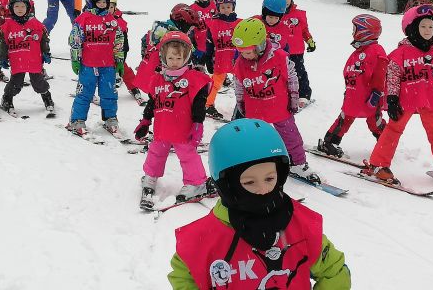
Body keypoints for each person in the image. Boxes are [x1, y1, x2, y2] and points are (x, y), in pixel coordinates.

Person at [168, 118, 351, 289]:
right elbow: (185, 275)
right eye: (249, 182)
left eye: (270, 178)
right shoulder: (205, 238)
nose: (263, 189)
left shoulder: (300, 225)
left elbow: (334, 272)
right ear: (227, 186)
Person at [365, 4, 433, 187]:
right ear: (412, 28)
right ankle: (378, 164)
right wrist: (391, 100)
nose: (427, 30)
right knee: (393, 130)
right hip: (404, 100)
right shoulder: (401, 54)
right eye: (423, 26)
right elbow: (392, 77)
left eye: (431, 26)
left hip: (430, 100)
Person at [232, 18, 319, 182]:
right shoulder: (241, 63)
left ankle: (298, 163)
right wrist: (240, 103)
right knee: (254, 138)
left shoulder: (279, 57)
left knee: (291, 136)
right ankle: (255, 163)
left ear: (259, 46)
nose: (244, 55)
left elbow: (292, 77)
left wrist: (294, 99)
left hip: (278, 106)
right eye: (241, 51)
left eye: (248, 52)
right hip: (255, 110)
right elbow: (238, 85)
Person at [134, 31, 212, 208]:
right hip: (162, 130)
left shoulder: (193, 78)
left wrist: (198, 123)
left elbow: (199, 103)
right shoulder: (158, 79)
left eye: (179, 58)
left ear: (186, 57)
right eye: (171, 58)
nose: (174, 62)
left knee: (188, 156)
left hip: (183, 130)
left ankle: (196, 183)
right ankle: (150, 178)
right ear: (163, 57)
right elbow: (153, 102)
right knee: (155, 154)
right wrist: (146, 121)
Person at [317, 14, 388, 157]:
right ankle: (329, 143)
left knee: (373, 121)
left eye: (355, 29)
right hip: (354, 95)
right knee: (345, 119)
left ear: (364, 31)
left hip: (368, 97)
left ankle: (386, 144)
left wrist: (376, 93)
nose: (352, 32)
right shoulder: (358, 52)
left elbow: (380, 72)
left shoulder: (376, 50)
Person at [66, 0, 125, 134]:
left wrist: (119, 60)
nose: (102, 5)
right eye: (98, 2)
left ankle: (110, 118)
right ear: (92, 2)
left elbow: (118, 41)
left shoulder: (112, 21)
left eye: (104, 2)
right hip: (88, 64)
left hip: (108, 65)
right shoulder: (84, 19)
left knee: (109, 93)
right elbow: (75, 40)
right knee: (84, 93)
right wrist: (75, 59)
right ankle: (77, 120)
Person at [0, 0, 54, 115]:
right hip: (17, 60)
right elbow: (4, 43)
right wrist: (2, 57)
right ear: (11, 8)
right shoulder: (7, 26)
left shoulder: (36, 23)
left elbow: (43, 39)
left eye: (23, 6)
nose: (20, 9)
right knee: (15, 84)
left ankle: (47, 98)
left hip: (34, 59)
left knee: (38, 82)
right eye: (16, 6)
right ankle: (6, 100)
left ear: (28, 7)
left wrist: (46, 52)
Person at [133, 3, 203, 94]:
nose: (190, 31)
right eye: (190, 28)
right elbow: (187, 58)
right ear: (183, 22)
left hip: (147, 75)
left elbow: (144, 41)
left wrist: (146, 60)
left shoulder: (158, 30)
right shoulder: (175, 39)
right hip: (162, 81)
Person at [274, 0, 315, 107]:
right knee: (281, 75)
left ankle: (304, 94)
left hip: (296, 51)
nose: (286, 1)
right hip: (280, 51)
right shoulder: (274, 15)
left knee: (299, 73)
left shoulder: (299, 14)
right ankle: (285, 94)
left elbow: (304, 31)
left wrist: (310, 41)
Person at [204, 0, 241, 120]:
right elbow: (209, 42)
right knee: (215, 83)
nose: (226, 9)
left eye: (229, 7)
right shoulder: (214, 24)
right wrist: (208, 57)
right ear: (218, 8)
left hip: (238, 60)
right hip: (221, 59)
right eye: (223, 7)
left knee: (242, 84)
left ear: (233, 7)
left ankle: (245, 106)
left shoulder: (240, 23)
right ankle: (208, 104)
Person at [108, 0, 145, 105]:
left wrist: (123, 53)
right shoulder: (98, 19)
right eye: (106, 7)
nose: (108, 10)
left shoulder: (119, 21)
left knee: (124, 70)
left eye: (111, 7)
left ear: (115, 7)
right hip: (101, 52)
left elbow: (124, 41)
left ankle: (133, 88)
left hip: (117, 51)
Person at [190, 0, 217, 67]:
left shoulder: (215, 6)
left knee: (214, 70)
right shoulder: (192, 8)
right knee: (198, 69)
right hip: (199, 46)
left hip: (212, 46)